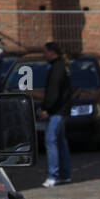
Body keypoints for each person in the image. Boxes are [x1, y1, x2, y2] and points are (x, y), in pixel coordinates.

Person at [40, 41, 71, 187]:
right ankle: (65, 174)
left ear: (52, 52)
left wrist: (47, 109)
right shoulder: (60, 67)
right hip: (61, 110)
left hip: (56, 111)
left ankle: (53, 174)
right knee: (60, 142)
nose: (43, 55)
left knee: (51, 141)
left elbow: (54, 93)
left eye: (45, 52)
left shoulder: (57, 69)